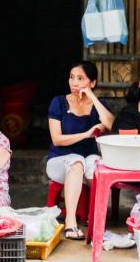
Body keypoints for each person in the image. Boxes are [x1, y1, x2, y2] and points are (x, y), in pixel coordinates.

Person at [47, 61, 114, 240]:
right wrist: (86, 134)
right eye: (71, 77)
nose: (74, 82)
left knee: (95, 164)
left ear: (92, 83)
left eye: (80, 78)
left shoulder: (100, 104)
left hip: (88, 160)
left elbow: (110, 125)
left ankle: (96, 218)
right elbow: (57, 139)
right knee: (77, 161)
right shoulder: (59, 102)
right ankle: (70, 223)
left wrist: (92, 97)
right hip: (59, 161)